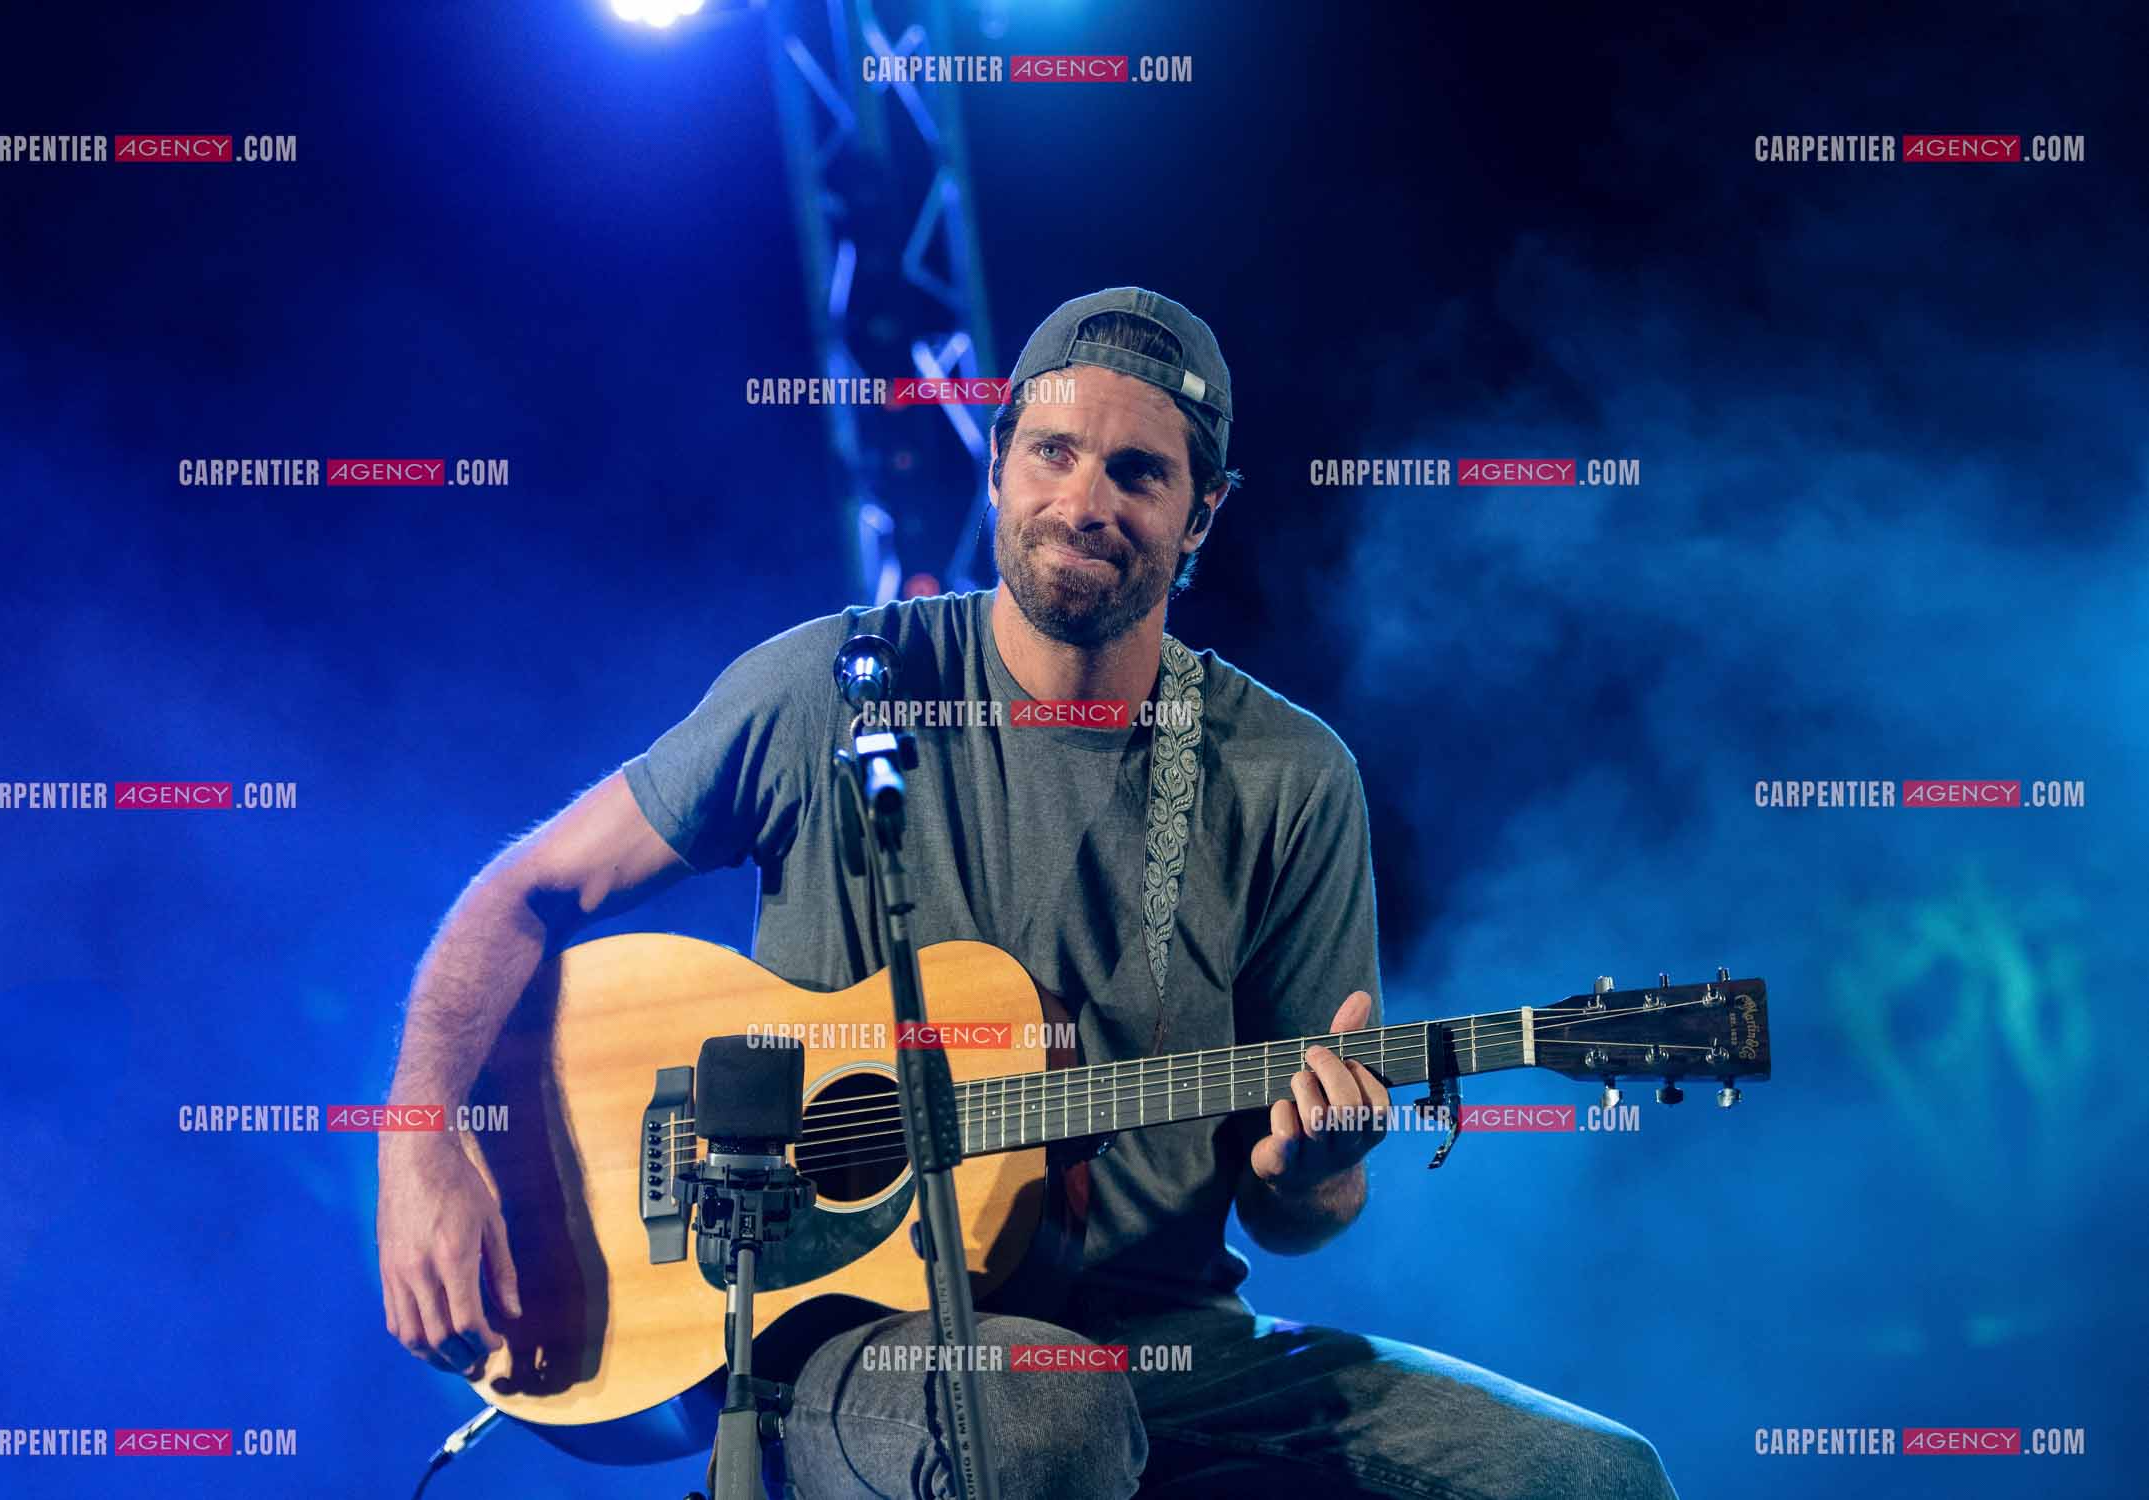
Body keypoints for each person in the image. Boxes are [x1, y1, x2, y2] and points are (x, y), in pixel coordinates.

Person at [376, 288, 1678, 1499]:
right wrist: (422, 1146)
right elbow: (528, 892)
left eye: (1137, 471)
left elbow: (1297, 1215)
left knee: (1594, 1477)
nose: (1085, 498)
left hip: (1171, 1350)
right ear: (997, 465)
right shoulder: (832, 689)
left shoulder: (1286, 774)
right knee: (1052, 1417)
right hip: (851, 1350)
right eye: (1052, 452)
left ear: (1204, 512)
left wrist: (1317, 1165)